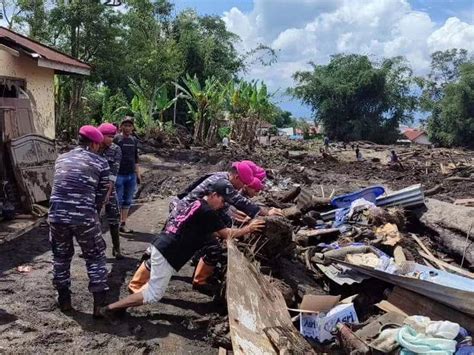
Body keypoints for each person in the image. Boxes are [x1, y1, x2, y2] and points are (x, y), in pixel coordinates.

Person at [99, 180, 265, 318]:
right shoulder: (207, 211)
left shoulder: (197, 204)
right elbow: (227, 234)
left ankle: (122, 301)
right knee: (153, 295)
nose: (223, 205)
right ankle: (111, 309)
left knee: (154, 281)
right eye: (223, 201)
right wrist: (248, 229)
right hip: (169, 251)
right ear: (214, 195)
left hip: (164, 244)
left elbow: (209, 231)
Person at [48, 125, 110, 317]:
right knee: (95, 257)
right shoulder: (101, 163)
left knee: (60, 257)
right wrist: (93, 215)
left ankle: (64, 300)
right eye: (98, 145)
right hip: (84, 216)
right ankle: (99, 306)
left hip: (56, 216)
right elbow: (101, 197)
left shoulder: (61, 158)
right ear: (93, 144)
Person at [98, 123, 123, 259]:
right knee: (94, 219)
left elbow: (114, 172)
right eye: (108, 136)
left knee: (114, 217)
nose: (111, 140)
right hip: (94, 190)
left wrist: (108, 192)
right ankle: (94, 248)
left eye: (113, 137)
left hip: (109, 188)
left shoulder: (115, 149)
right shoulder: (93, 148)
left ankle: (117, 248)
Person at [114, 116, 140, 233]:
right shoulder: (116, 139)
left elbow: (136, 158)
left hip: (131, 175)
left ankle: (123, 224)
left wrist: (137, 173)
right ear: (121, 126)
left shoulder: (134, 140)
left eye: (130, 125)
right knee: (117, 201)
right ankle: (114, 224)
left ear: (133, 127)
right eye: (125, 125)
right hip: (119, 175)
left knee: (128, 200)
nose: (128, 127)